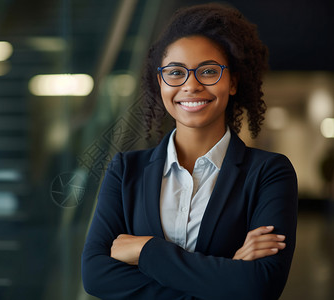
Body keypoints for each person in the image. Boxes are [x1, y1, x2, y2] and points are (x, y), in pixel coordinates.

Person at [81, 3, 298, 300]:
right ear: (161, 82)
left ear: (232, 81)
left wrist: (146, 250)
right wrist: (228, 274)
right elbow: (95, 276)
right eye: (175, 72)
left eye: (208, 71)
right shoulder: (124, 170)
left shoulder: (268, 173)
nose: (191, 85)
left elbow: (260, 286)